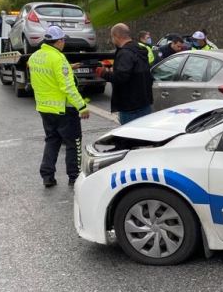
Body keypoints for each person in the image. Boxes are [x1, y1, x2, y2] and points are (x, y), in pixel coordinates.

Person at [28, 26, 90, 187]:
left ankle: (47, 176)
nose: (64, 43)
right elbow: (67, 86)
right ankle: (74, 177)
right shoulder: (58, 58)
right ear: (59, 41)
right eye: (63, 40)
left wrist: (68, 68)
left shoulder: (34, 57)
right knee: (73, 142)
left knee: (52, 141)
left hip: (44, 108)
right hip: (64, 109)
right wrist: (81, 106)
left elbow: (45, 76)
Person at [97, 23, 153, 125]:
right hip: (145, 103)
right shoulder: (140, 49)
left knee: (130, 138)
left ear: (116, 36)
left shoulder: (125, 53)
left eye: (112, 37)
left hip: (130, 107)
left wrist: (103, 73)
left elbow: (121, 77)